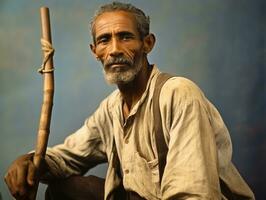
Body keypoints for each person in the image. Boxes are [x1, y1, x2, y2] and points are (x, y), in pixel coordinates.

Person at [4, 1, 255, 200]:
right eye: (104, 40)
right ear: (95, 52)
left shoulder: (179, 95)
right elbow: (69, 157)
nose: (114, 49)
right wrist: (28, 162)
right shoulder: (112, 108)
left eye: (125, 37)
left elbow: (194, 194)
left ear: (147, 43)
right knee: (64, 190)